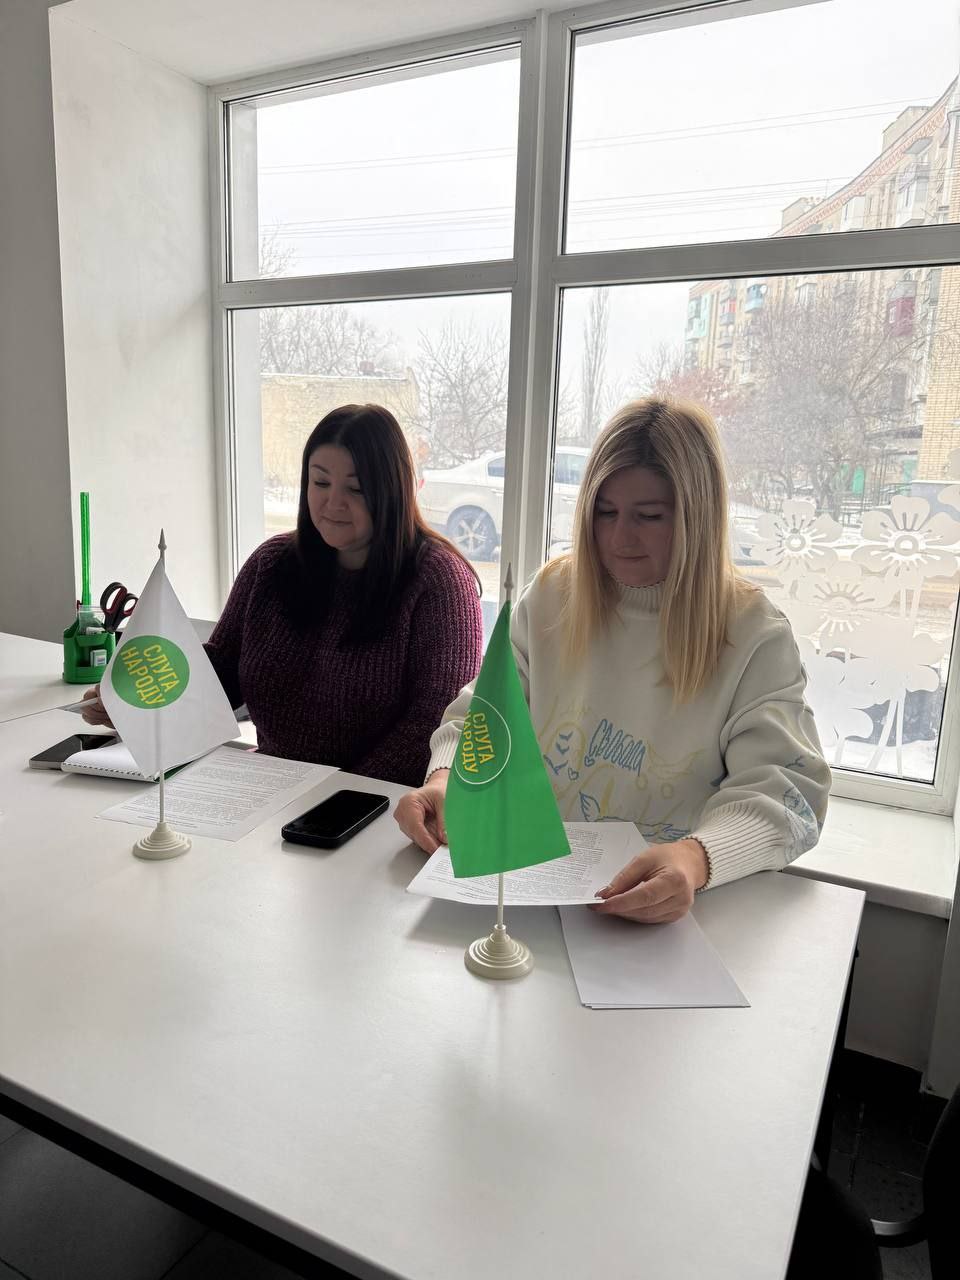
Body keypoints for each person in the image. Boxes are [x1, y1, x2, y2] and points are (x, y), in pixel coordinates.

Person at [395, 397, 831, 922]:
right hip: (541, 887)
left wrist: (697, 859)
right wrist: (447, 780)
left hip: (676, 912)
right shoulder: (552, 595)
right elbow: (484, 715)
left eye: (649, 516)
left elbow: (789, 795)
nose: (621, 538)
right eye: (605, 512)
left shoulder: (753, 634)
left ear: (698, 517)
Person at [82, 404, 484, 786]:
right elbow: (221, 673)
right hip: (270, 789)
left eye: (356, 488)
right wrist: (138, 705)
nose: (333, 503)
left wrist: (333, 795)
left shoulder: (440, 582)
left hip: (377, 806)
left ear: (393, 492)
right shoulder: (273, 563)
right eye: (320, 482)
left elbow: (433, 725)